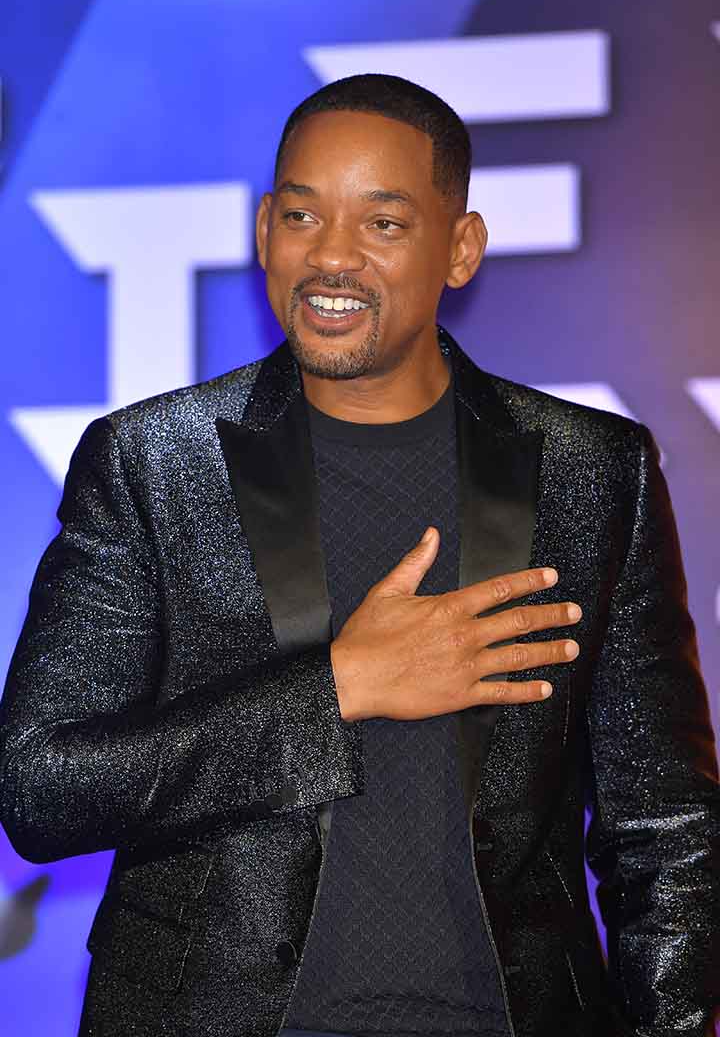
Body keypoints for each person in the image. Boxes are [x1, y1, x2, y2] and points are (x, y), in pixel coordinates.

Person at [0, 73, 718, 1037]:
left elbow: (663, 824)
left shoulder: (592, 470)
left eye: (383, 224)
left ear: (460, 249)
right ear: (263, 232)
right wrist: (337, 687)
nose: (330, 256)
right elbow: (41, 786)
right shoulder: (152, 461)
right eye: (301, 215)